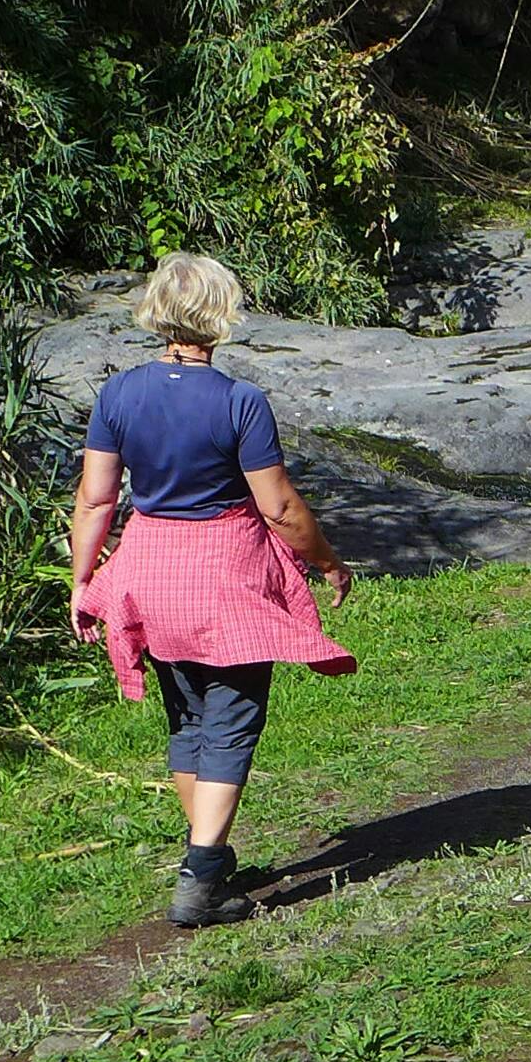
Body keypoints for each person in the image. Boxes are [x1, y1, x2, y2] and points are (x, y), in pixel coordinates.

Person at [68, 253, 356, 927]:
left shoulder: (118, 395)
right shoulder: (237, 401)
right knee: (233, 718)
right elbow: (279, 507)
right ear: (221, 317)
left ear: (156, 312)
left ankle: (212, 857)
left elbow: (95, 498)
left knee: (189, 717)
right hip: (226, 576)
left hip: (149, 570)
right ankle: (199, 878)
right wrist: (328, 562)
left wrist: (85, 578)